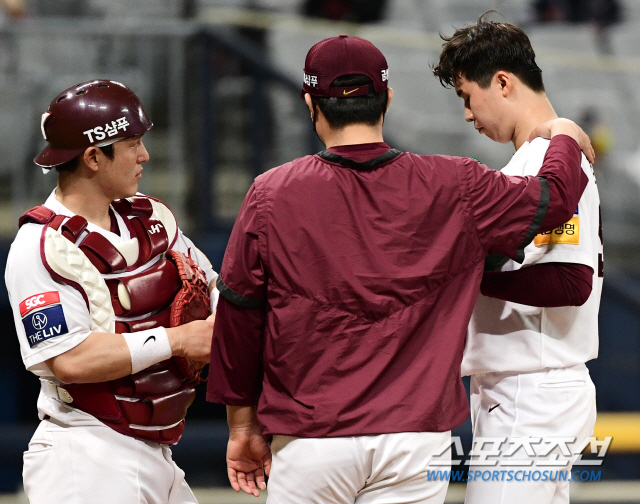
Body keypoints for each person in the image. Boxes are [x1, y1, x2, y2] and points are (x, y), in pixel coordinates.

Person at [206, 35, 594, 503]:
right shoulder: (456, 183)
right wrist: (564, 135)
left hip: (312, 438)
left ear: (310, 103)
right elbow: (555, 198)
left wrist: (242, 425)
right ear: (387, 98)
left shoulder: (271, 192)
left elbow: (239, 315)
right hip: (416, 441)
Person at [5, 80, 217, 504]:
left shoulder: (149, 217)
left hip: (156, 449)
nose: (145, 155)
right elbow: (70, 359)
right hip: (86, 453)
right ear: (93, 157)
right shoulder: (40, 245)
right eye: (133, 143)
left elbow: (212, 285)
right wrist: (177, 340)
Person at [433, 15, 602, 504]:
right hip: (525, 389)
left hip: (533, 390)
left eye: (468, 96)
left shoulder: (550, 160)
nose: (468, 114)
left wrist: (465, 273)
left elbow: (570, 282)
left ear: (503, 82)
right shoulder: (536, 161)